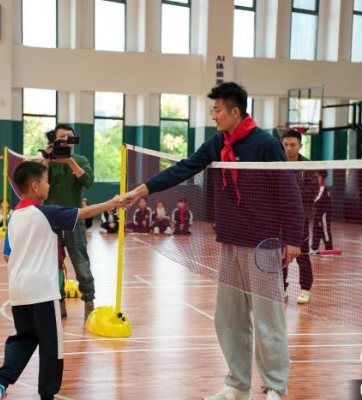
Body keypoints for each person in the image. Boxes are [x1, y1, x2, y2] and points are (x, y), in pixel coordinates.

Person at [122, 82, 304, 400]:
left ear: (235, 111)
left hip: (262, 244)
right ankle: (237, 385)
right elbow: (184, 168)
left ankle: (275, 386)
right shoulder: (218, 143)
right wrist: (143, 189)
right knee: (229, 318)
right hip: (230, 241)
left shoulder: (266, 145)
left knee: (268, 319)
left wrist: (293, 238)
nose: (213, 116)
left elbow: (289, 191)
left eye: (217, 110)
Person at [0, 161, 128, 400]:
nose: (49, 185)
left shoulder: (14, 216)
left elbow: (6, 256)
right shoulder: (47, 213)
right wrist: (114, 202)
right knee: (51, 347)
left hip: (18, 291)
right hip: (42, 291)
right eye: (46, 181)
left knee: (24, 339)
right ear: (34, 186)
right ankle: (47, 395)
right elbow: (84, 213)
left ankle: (0, 384)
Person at [43, 124, 96, 321]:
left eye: (69, 137)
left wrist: (70, 161)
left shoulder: (80, 160)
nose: (65, 140)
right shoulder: (48, 160)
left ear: (74, 140)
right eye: (61, 137)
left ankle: (89, 301)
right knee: (54, 266)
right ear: (54, 140)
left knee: (81, 264)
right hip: (51, 221)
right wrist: (47, 159)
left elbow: (88, 181)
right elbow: (38, 182)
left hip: (75, 219)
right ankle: (59, 301)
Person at [280, 130, 317, 305]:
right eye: (286, 144)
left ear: (300, 146)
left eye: (293, 145)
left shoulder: (307, 166)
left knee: (302, 254)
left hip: (301, 218)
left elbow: (312, 191)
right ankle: (282, 288)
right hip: (281, 217)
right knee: (281, 254)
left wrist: (291, 197)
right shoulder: (277, 164)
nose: (289, 148)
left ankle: (305, 290)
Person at [311, 170, 334, 254]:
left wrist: (309, 201)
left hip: (324, 213)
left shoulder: (323, 187)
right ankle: (314, 248)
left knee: (325, 230)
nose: (316, 177)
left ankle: (329, 249)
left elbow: (317, 199)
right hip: (318, 212)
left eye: (317, 175)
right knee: (316, 229)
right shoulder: (318, 187)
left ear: (320, 176)